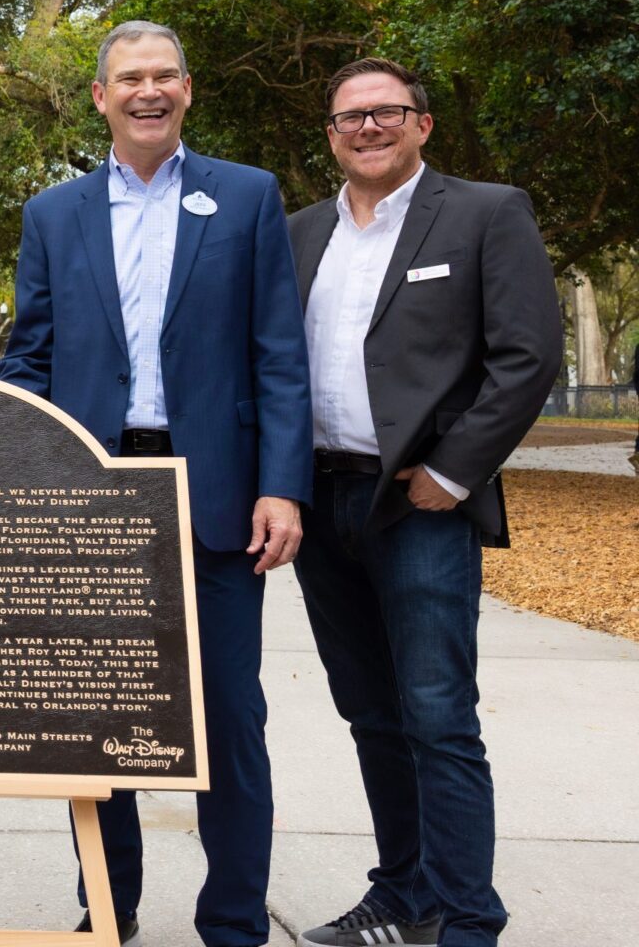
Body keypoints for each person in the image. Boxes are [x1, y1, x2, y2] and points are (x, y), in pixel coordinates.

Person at [0, 20, 311, 947]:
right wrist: (31, 478)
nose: (147, 91)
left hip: (213, 492)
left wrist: (281, 485)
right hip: (91, 493)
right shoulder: (54, 215)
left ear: (186, 90)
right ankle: (107, 908)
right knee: (97, 713)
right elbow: (30, 360)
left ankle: (235, 920)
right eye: (128, 78)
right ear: (100, 97)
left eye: (164, 75)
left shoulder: (248, 198)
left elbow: (279, 356)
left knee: (229, 719)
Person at [287, 58, 562, 947]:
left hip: (420, 506)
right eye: (348, 119)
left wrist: (453, 472)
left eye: (386, 113)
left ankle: (466, 918)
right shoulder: (297, 233)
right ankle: (403, 895)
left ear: (422, 125)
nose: (367, 129)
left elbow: (526, 357)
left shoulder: (486, 212)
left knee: (438, 715)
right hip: (320, 501)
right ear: (330, 135)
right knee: (370, 713)